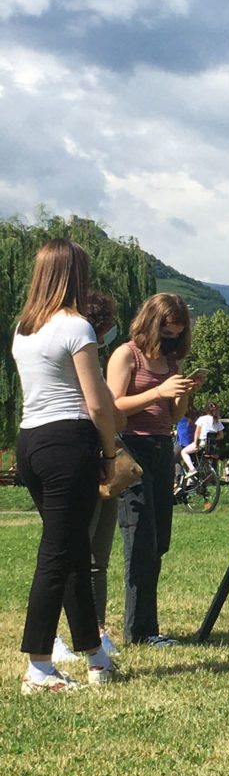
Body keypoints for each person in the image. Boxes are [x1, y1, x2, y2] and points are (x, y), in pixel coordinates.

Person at [12, 239, 118, 692]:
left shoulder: (22, 328)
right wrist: (111, 454)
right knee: (57, 557)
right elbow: (97, 405)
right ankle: (38, 667)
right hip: (68, 443)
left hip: (30, 442)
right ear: (76, 275)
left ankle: (95, 655)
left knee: (73, 550)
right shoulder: (78, 328)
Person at [106, 293, 197, 646]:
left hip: (162, 449)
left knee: (158, 541)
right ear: (152, 322)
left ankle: (146, 626)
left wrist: (183, 393)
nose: (173, 337)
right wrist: (158, 392)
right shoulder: (127, 354)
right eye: (168, 329)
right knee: (139, 537)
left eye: (178, 332)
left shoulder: (171, 361)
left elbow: (172, 416)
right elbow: (114, 407)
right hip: (132, 449)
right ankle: (140, 631)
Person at [52, 290, 124, 664]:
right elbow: (105, 410)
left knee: (97, 556)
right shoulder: (74, 356)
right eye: (108, 326)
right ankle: (52, 637)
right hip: (82, 459)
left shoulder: (91, 359)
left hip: (99, 464)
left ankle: (95, 631)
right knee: (68, 553)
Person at [181, 401, 224, 475]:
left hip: (202, 443)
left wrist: (195, 443)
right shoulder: (217, 421)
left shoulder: (202, 419)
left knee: (184, 452)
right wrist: (213, 439)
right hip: (212, 445)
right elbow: (221, 435)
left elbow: (197, 432)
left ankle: (192, 469)